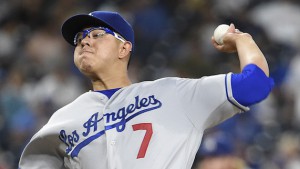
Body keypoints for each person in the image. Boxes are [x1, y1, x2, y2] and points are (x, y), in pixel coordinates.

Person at [18, 11, 274, 169]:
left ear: (124, 48)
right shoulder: (62, 120)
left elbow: (255, 84)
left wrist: (244, 40)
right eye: (80, 37)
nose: (84, 40)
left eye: (97, 34)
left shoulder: (174, 94)